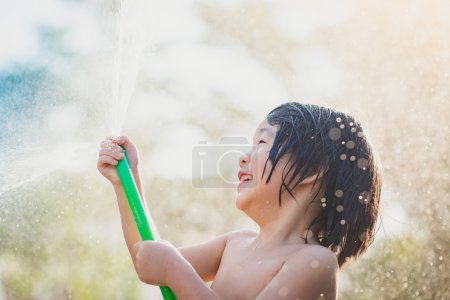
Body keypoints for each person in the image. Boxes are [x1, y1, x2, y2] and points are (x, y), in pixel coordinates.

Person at [97, 102, 382, 300]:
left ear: (311, 170)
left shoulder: (314, 263)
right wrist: (127, 182)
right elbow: (147, 258)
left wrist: (176, 270)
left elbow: (168, 266)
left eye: (262, 143)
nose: (244, 156)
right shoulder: (234, 244)